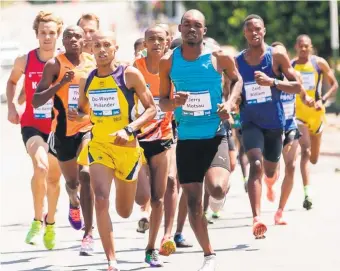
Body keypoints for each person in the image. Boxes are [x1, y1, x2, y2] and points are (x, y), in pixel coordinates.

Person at [159, 9, 243, 270]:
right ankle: (209, 255)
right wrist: (173, 102)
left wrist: (229, 103)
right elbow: (162, 101)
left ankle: (219, 198)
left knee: (216, 189)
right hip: (186, 138)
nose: (192, 29)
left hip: (214, 133)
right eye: (187, 24)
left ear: (204, 31)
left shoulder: (218, 57)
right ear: (180, 29)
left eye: (197, 25)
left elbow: (237, 80)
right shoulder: (168, 61)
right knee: (194, 201)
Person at [75, 30, 156, 271]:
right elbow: (83, 109)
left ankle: (142, 204)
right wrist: (79, 116)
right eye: (97, 45)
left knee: (124, 210)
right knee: (100, 198)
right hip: (99, 145)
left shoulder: (129, 75)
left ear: (115, 48)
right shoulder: (88, 80)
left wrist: (129, 130)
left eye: (106, 45)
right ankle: (111, 260)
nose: (101, 49)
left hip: (127, 147)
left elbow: (151, 109)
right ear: (91, 49)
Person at [236, 14, 304, 238]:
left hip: (275, 123)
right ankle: (257, 218)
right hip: (250, 121)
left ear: (264, 31)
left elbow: (296, 86)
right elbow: (232, 91)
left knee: (270, 169)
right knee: (254, 164)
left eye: (258, 29)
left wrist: (272, 82)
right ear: (244, 33)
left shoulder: (276, 56)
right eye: (249, 30)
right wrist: (233, 103)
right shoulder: (238, 61)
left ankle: (270, 180)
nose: (254, 33)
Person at [32, 25, 96, 255]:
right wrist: (60, 83)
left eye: (78, 36)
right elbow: (36, 101)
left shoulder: (92, 62)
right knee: (72, 184)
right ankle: (74, 202)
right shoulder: (54, 65)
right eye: (68, 36)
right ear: (63, 39)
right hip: (62, 132)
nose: (73, 39)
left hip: (88, 126)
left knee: (87, 175)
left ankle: (88, 234)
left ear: (83, 40)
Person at [6, 11, 63, 250]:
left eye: (51, 33)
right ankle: (37, 220)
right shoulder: (25, 59)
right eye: (43, 33)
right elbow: (11, 82)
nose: (47, 37)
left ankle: (51, 221)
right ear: (36, 34)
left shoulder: (65, 61)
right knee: (40, 166)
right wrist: (12, 106)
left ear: (58, 34)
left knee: (53, 178)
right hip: (31, 124)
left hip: (59, 128)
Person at [133, 25, 175, 265]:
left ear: (167, 41)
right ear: (145, 43)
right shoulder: (134, 68)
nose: (156, 43)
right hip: (137, 139)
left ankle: (152, 248)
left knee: (159, 198)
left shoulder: (173, 68)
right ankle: (141, 209)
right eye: (151, 39)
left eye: (160, 39)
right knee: (142, 197)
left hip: (162, 136)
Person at [292, 35, 338, 210]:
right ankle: (307, 193)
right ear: (296, 47)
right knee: (305, 151)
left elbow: (334, 84)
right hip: (300, 114)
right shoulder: (292, 65)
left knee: (314, 158)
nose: (303, 49)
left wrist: (323, 100)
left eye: (306, 46)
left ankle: (308, 186)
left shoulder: (319, 63)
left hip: (317, 114)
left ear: (311, 47)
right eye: (300, 46)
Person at [271, 41, 314, 224]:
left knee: (291, 166)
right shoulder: (267, 77)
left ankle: (280, 210)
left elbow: (302, 93)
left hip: (289, 125)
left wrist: (307, 99)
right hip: (270, 128)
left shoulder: (295, 75)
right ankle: (269, 179)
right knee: (270, 170)